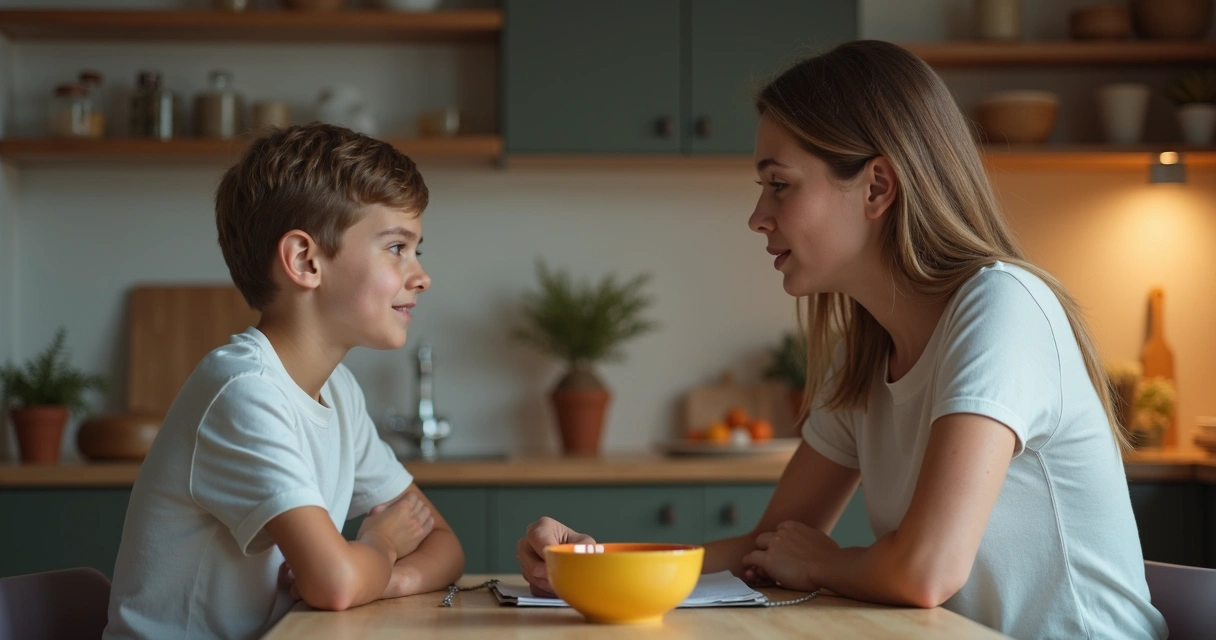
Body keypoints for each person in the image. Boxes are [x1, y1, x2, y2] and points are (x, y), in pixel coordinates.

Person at [516, 41, 1167, 640]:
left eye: (780, 184)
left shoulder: (1001, 309)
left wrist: (829, 564)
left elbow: (925, 571)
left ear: (877, 186)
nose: (757, 216)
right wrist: (592, 563)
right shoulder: (867, 354)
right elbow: (772, 546)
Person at [104, 123, 463, 639]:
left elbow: (444, 544)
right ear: (305, 260)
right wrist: (380, 544)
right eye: (396, 248)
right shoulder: (244, 391)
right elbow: (335, 584)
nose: (421, 275)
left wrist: (385, 578)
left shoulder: (338, 391)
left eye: (416, 250)